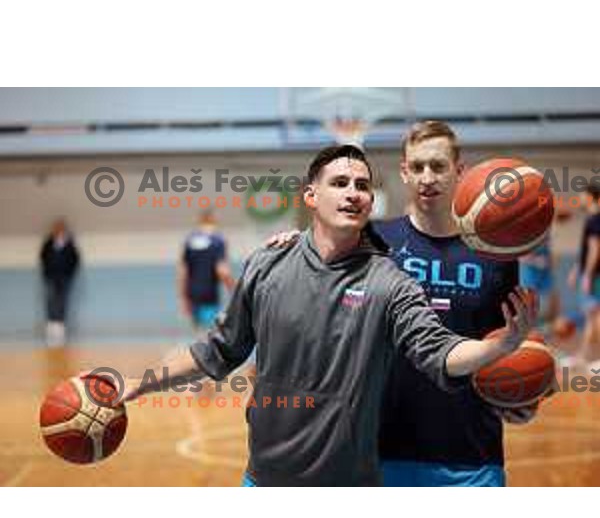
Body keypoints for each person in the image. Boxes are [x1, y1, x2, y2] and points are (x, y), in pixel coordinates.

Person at [114, 145, 536, 487]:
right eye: (340, 183)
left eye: (363, 185)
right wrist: (140, 383)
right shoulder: (267, 263)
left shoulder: (390, 282)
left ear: (371, 202)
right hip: (262, 479)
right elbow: (217, 351)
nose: (353, 192)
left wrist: (498, 346)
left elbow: (439, 353)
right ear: (311, 196)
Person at [268, 124, 540, 487]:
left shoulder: (496, 255)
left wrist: (520, 396)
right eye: (418, 167)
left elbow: (503, 344)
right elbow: (316, 267)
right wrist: (296, 244)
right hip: (379, 450)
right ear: (404, 172)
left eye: (439, 166)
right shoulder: (371, 239)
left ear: (459, 171)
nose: (428, 177)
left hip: (472, 455)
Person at [178, 210, 235, 331]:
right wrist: (234, 291)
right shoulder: (218, 240)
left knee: (198, 333)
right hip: (209, 294)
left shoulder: (190, 240)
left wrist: (183, 297)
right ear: (214, 221)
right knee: (210, 333)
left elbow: (183, 271)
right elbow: (222, 270)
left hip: (192, 294)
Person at [566, 184, 600, 368]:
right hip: (593, 274)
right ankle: (584, 356)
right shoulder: (593, 219)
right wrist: (576, 270)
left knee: (594, 316)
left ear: (592, 197)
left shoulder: (595, 220)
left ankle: (585, 356)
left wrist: (587, 275)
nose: (580, 199)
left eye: (583, 196)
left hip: (595, 276)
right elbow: (587, 251)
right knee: (592, 317)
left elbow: (595, 250)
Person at [40, 219, 80, 347]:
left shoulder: (69, 244)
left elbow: (75, 259)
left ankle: (60, 327)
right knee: (51, 300)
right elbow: (43, 257)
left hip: (65, 278)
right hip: (51, 277)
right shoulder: (48, 242)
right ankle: (51, 326)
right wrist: (47, 272)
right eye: (56, 228)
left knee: (63, 300)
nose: (59, 230)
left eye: (61, 228)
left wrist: (69, 274)